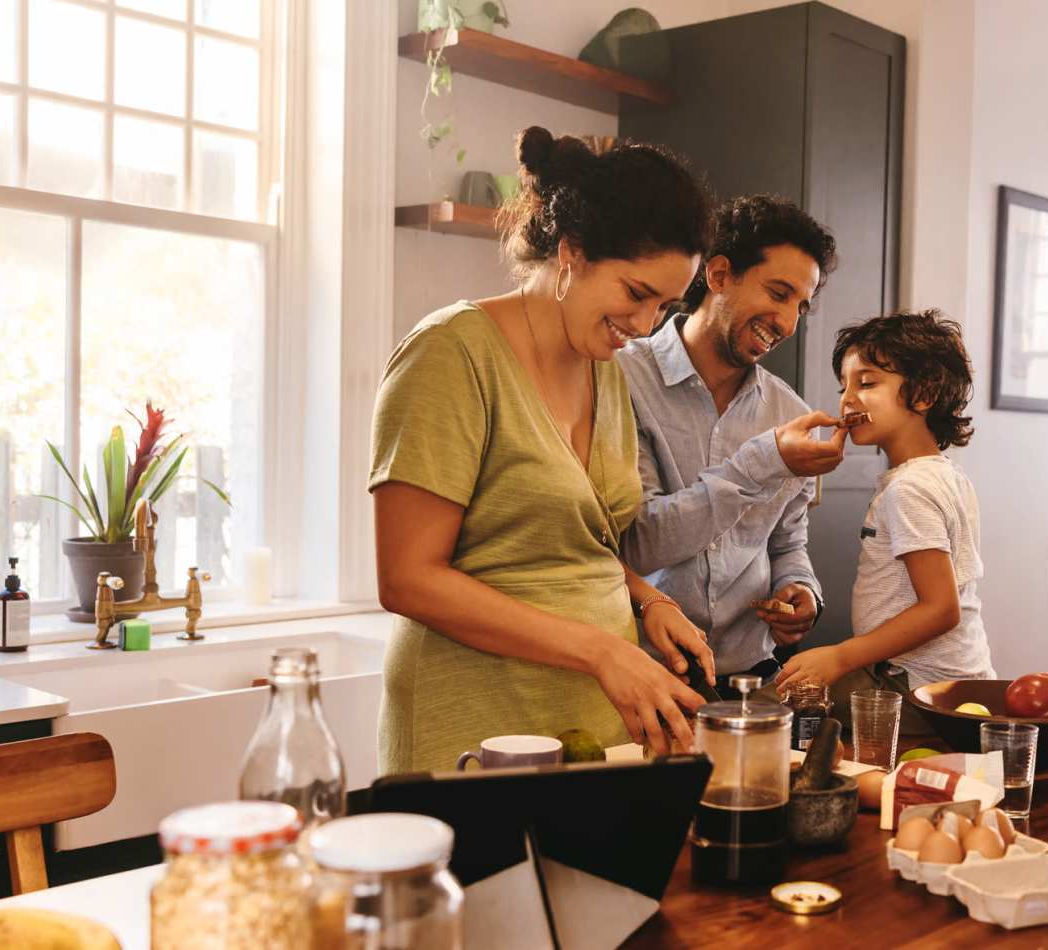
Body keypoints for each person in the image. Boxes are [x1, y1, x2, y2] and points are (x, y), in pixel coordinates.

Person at [368, 127, 716, 772]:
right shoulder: (450, 353)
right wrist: (603, 651)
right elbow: (407, 578)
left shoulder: (605, 367)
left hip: (591, 723)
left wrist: (646, 599)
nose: (644, 326)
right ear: (572, 251)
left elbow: (565, 540)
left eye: (665, 307)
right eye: (636, 293)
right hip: (474, 723)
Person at [618, 195, 846, 693]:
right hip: (645, 677)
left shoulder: (789, 412)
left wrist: (801, 592)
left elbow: (787, 542)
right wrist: (761, 463)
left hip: (751, 680)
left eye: (800, 307)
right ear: (719, 275)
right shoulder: (621, 379)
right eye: (778, 293)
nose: (787, 322)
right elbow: (638, 544)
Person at [775, 310, 994, 728]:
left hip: (915, 691)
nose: (847, 399)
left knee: (775, 711)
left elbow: (941, 609)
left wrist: (839, 656)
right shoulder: (943, 473)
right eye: (844, 386)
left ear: (924, 394)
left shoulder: (909, 489)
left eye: (867, 382)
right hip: (941, 685)